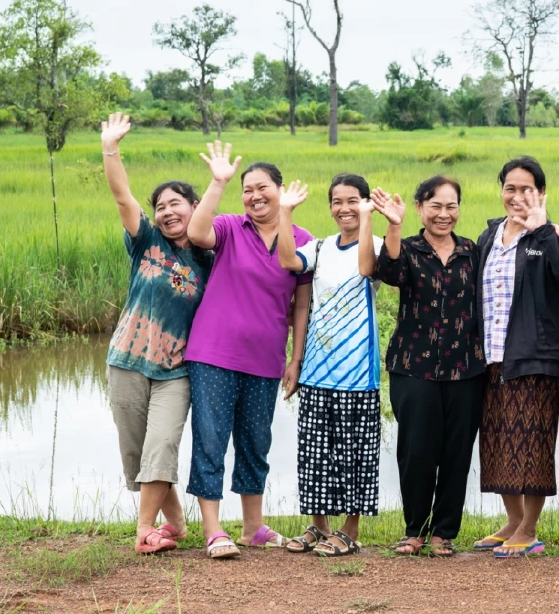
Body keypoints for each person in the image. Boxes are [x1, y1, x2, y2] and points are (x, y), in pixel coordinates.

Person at [183, 141, 313, 559]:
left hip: (266, 358)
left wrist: (295, 359)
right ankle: (214, 528)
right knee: (211, 439)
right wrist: (218, 182)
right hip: (214, 353)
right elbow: (195, 233)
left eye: (263, 187)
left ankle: (253, 526)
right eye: (247, 189)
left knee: (256, 441)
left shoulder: (303, 239)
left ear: (280, 189)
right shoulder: (228, 227)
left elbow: (301, 305)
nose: (255, 196)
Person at [99, 112, 212, 555]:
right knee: (136, 454)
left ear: (195, 207)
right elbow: (123, 197)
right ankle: (176, 523)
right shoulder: (146, 240)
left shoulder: (210, 258)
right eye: (161, 205)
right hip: (126, 361)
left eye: (176, 203)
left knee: (161, 444)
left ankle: (144, 531)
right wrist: (111, 147)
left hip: (175, 370)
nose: (167, 211)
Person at [472, 157, 559, 558]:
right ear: (501, 191)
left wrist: (543, 230)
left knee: (532, 443)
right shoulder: (490, 236)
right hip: (492, 357)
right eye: (511, 188)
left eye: (527, 189)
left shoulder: (553, 234)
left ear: (541, 193)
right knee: (498, 442)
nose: (518, 196)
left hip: (536, 358)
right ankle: (511, 520)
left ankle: (530, 527)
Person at [372, 176, 486, 558]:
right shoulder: (406, 248)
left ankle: (444, 532)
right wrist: (393, 224)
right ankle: (414, 530)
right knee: (416, 450)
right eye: (435, 206)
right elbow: (389, 273)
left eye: (451, 206)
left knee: (456, 451)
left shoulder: (472, 251)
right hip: (413, 366)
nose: (444, 214)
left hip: (466, 368)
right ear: (420, 208)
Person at [275, 174, 385, 558]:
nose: (344, 208)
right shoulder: (319, 248)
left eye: (353, 200)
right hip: (319, 371)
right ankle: (319, 527)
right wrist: (285, 211)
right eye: (337, 201)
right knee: (315, 454)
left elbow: (367, 269)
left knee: (356, 454)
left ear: (366, 203)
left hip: (359, 372)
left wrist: (370, 218)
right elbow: (288, 260)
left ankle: (349, 531)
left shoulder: (377, 244)